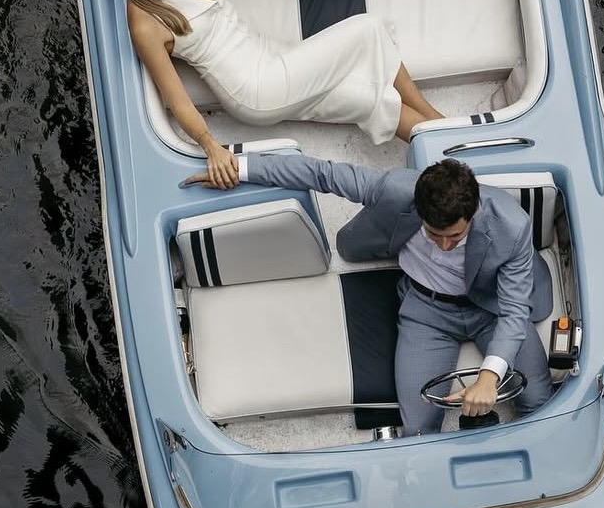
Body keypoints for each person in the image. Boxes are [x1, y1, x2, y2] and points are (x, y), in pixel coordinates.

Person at [185, 151, 553, 434]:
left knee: (538, 401)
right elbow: (322, 173)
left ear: (473, 212)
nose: (443, 246)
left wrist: (488, 378)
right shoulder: (394, 189)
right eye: (433, 234)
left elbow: (513, 311)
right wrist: (237, 168)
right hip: (427, 312)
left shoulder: (512, 226)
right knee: (418, 428)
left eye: (454, 237)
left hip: (492, 308)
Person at [111, 0, 445, 187]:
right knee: (369, 29)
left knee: (366, 99)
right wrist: (210, 145)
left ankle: (445, 152)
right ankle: (441, 123)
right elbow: (176, 99)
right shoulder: (145, 22)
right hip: (253, 89)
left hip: (269, 53)